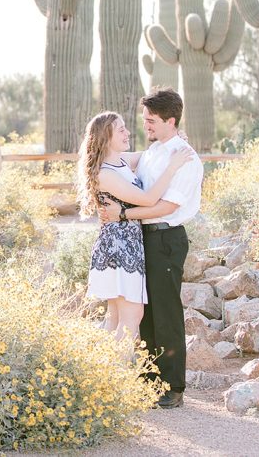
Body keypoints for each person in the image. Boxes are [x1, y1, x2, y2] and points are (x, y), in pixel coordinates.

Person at [99, 88, 203, 410]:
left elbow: (165, 205)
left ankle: (173, 387)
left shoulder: (185, 159)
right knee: (145, 313)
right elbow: (116, 162)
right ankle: (148, 381)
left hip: (166, 239)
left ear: (170, 121)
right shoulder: (155, 152)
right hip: (141, 240)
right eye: (144, 120)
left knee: (167, 312)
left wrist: (124, 214)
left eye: (152, 121)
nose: (146, 126)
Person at [77, 111, 192, 346]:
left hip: (124, 245)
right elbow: (148, 199)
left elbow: (150, 155)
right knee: (131, 317)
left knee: (116, 317)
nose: (127, 132)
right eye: (120, 129)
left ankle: (105, 375)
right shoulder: (105, 174)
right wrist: (173, 166)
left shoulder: (121, 161)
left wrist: (173, 140)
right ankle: (118, 377)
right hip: (120, 247)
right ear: (105, 136)